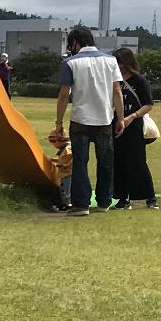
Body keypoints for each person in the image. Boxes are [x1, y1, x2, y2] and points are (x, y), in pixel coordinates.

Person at [53, 26, 124, 214]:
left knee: (80, 163)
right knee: (105, 161)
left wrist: (59, 123)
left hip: (80, 119)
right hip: (105, 119)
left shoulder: (70, 63)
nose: (71, 49)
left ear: (76, 42)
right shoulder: (111, 61)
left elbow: (64, 94)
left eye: (71, 45)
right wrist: (121, 118)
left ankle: (81, 204)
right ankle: (104, 201)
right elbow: (117, 91)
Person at [110, 48, 160, 210]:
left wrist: (132, 116)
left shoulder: (139, 80)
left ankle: (149, 197)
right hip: (116, 126)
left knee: (138, 162)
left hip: (134, 127)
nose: (117, 65)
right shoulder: (113, 79)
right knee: (118, 162)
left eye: (119, 62)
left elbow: (148, 104)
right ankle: (122, 197)